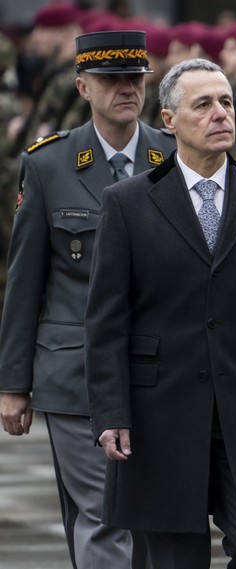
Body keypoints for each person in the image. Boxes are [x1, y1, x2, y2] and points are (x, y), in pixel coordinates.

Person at [84, 57, 236, 568]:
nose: (221, 114)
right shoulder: (127, 203)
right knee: (175, 556)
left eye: (226, 102)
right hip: (161, 411)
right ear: (169, 121)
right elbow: (107, 320)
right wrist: (111, 412)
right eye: (204, 104)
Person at [0, 30, 176, 569]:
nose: (126, 88)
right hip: (74, 373)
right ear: (82, 87)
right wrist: (14, 383)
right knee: (104, 515)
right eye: (111, 80)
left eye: (135, 78)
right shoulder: (50, 166)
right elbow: (26, 280)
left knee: (149, 520)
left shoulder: (174, 156)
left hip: (159, 371)